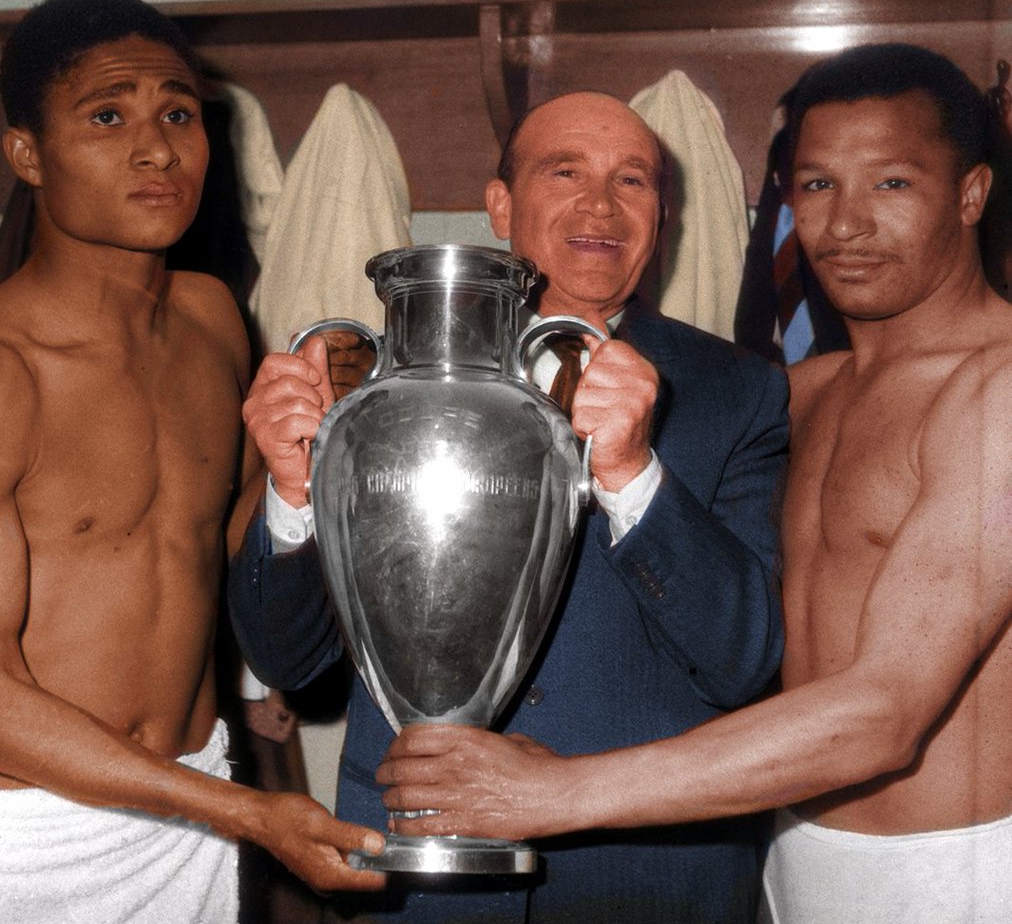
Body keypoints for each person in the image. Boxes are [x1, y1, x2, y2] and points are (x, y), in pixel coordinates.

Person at [379, 44, 1012, 923]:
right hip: (788, 857)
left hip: (953, 866)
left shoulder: (998, 389)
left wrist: (555, 793)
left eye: (893, 183)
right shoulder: (798, 392)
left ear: (971, 195)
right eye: (818, 185)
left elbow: (883, 713)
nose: (846, 224)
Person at [0, 0, 384, 924]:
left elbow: (218, 533)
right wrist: (245, 812)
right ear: (28, 154)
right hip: (13, 838)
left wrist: (301, 462)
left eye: (178, 114)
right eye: (108, 116)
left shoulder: (211, 318)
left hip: (183, 810)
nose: (157, 149)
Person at [229, 90, 790, 922]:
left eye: (631, 180)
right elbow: (287, 658)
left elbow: (745, 659)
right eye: (565, 172)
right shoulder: (371, 379)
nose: (600, 205)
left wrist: (634, 474)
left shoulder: (737, 390)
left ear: (661, 220)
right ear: (500, 205)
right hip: (417, 870)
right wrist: (290, 490)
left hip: (641, 882)